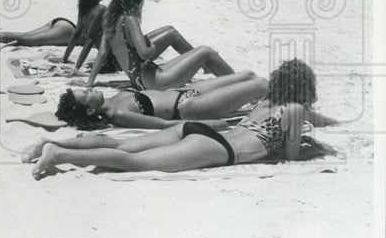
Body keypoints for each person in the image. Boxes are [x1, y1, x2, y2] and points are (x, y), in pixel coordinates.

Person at [24, 59, 337, 178]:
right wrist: (312, 145)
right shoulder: (294, 112)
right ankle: (59, 153)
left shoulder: (267, 100)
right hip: (217, 149)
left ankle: (53, 143)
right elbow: (289, 154)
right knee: (135, 163)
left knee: (122, 145)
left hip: (197, 131)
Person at [85, 0, 235, 91]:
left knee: (198, 52)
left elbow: (103, 52)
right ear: (135, 2)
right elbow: (144, 54)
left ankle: (218, 71)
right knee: (206, 51)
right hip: (154, 82)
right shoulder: (130, 20)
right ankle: (240, 83)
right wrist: (152, 46)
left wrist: (89, 83)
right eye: (141, 0)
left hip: (138, 79)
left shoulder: (110, 20)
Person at [55, 70, 267, 130]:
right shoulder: (118, 114)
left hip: (186, 92)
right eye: (86, 94)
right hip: (188, 108)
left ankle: (270, 101)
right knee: (259, 84)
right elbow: (163, 125)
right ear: (90, 110)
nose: (89, 89)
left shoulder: (112, 98)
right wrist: (209, 124)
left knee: (248, 75)